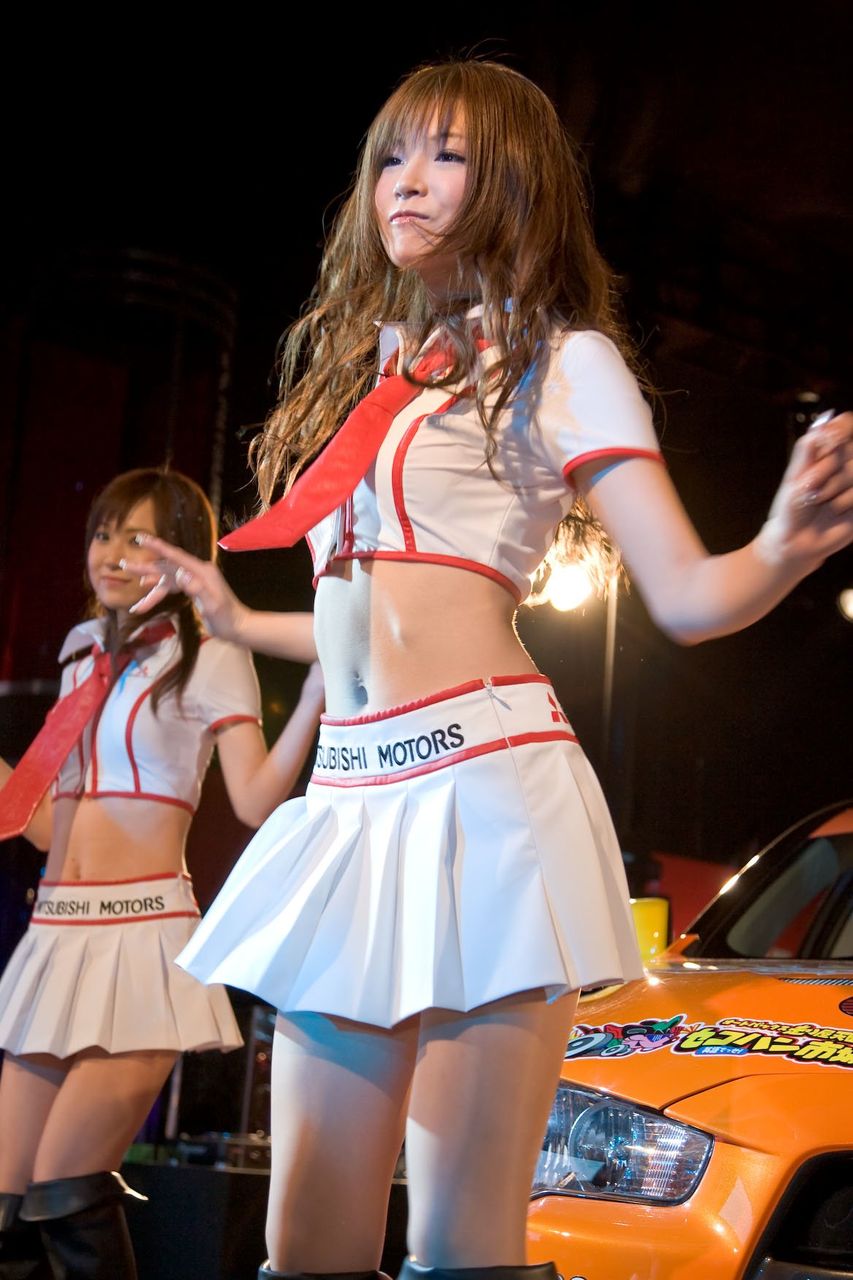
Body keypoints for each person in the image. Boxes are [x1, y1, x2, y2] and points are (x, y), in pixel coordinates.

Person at [127, 60, 853, 1280]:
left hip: (483, 804)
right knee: (303, 1246)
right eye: (391, 156)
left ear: (514, 184)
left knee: (460, 1246)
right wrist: (235, 618)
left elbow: (685, 592)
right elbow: (357, 620)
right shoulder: (374, 373)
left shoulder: (560, 361)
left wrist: (783, 544)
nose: (406, 182)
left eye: (448, 155)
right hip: (347, 809)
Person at [0, 467, 324, 1280]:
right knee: (5, 1212)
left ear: (181, 554)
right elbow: (50, 827)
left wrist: (315, 696)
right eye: (102, 535)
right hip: (55, 936)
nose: (110, 554)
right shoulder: (82, 654)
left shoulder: (211, 656)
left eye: (136, 540)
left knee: (66, 1190)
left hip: (141, 935)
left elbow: (254, 800)